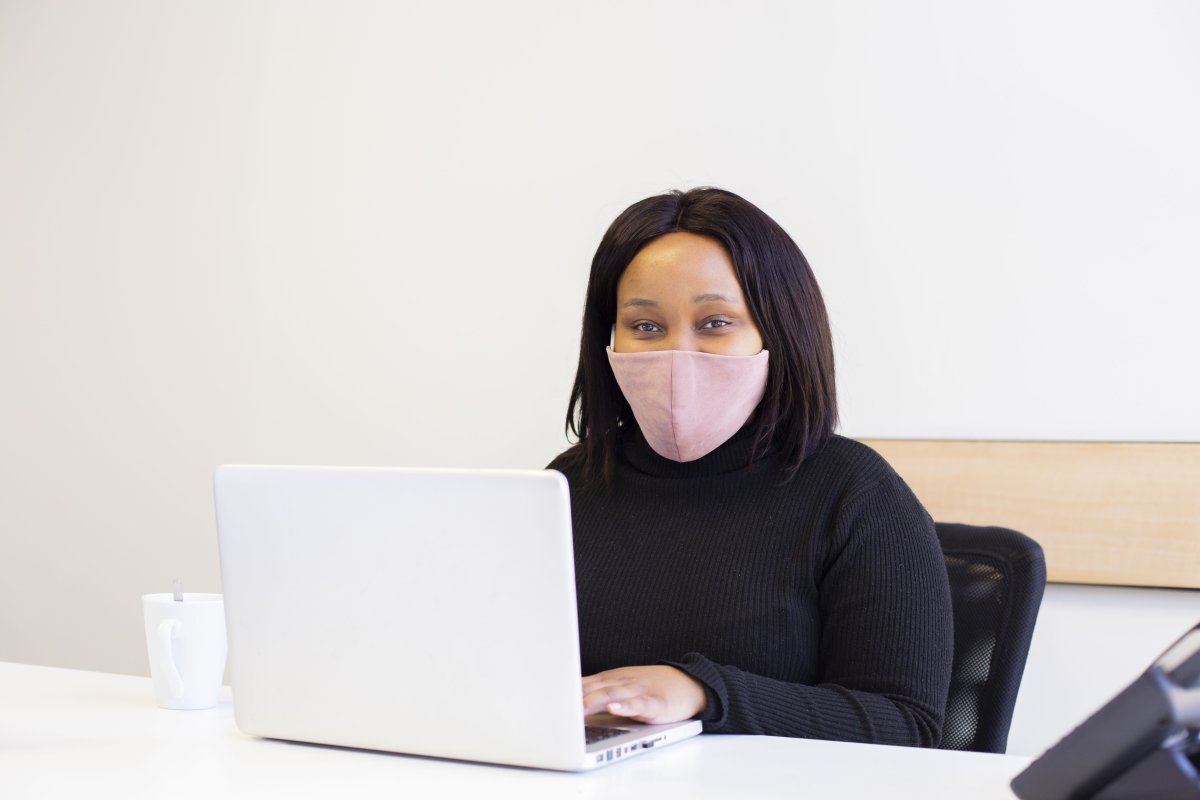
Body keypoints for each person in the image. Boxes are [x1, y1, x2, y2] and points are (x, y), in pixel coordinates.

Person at [547, 187, 953, 747]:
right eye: (645, 326)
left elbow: (907, 724)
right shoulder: (567, 486)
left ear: (776, 331)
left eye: (715, 322)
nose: (677, 352)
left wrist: (704, 693)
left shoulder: (857, 492)